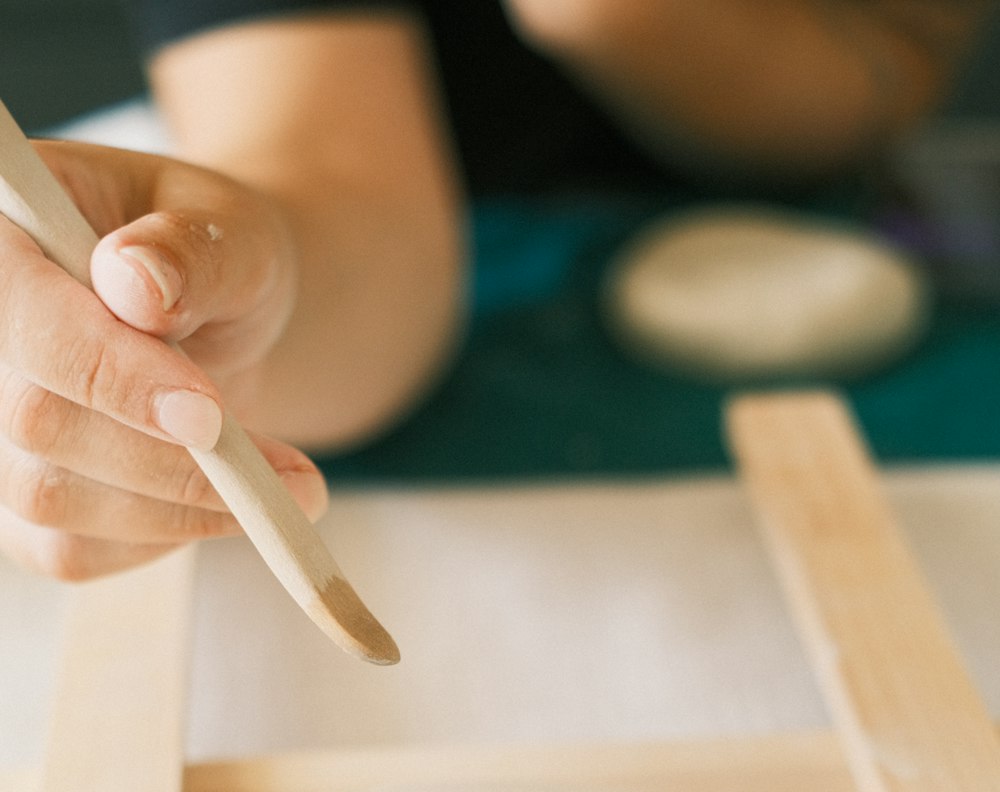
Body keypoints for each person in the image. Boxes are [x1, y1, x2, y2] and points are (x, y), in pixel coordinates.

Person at [0, 0, 989, 580]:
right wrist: (242, 292)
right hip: (453, 266)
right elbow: (332, 193)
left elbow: (885, 71)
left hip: (885, 242)